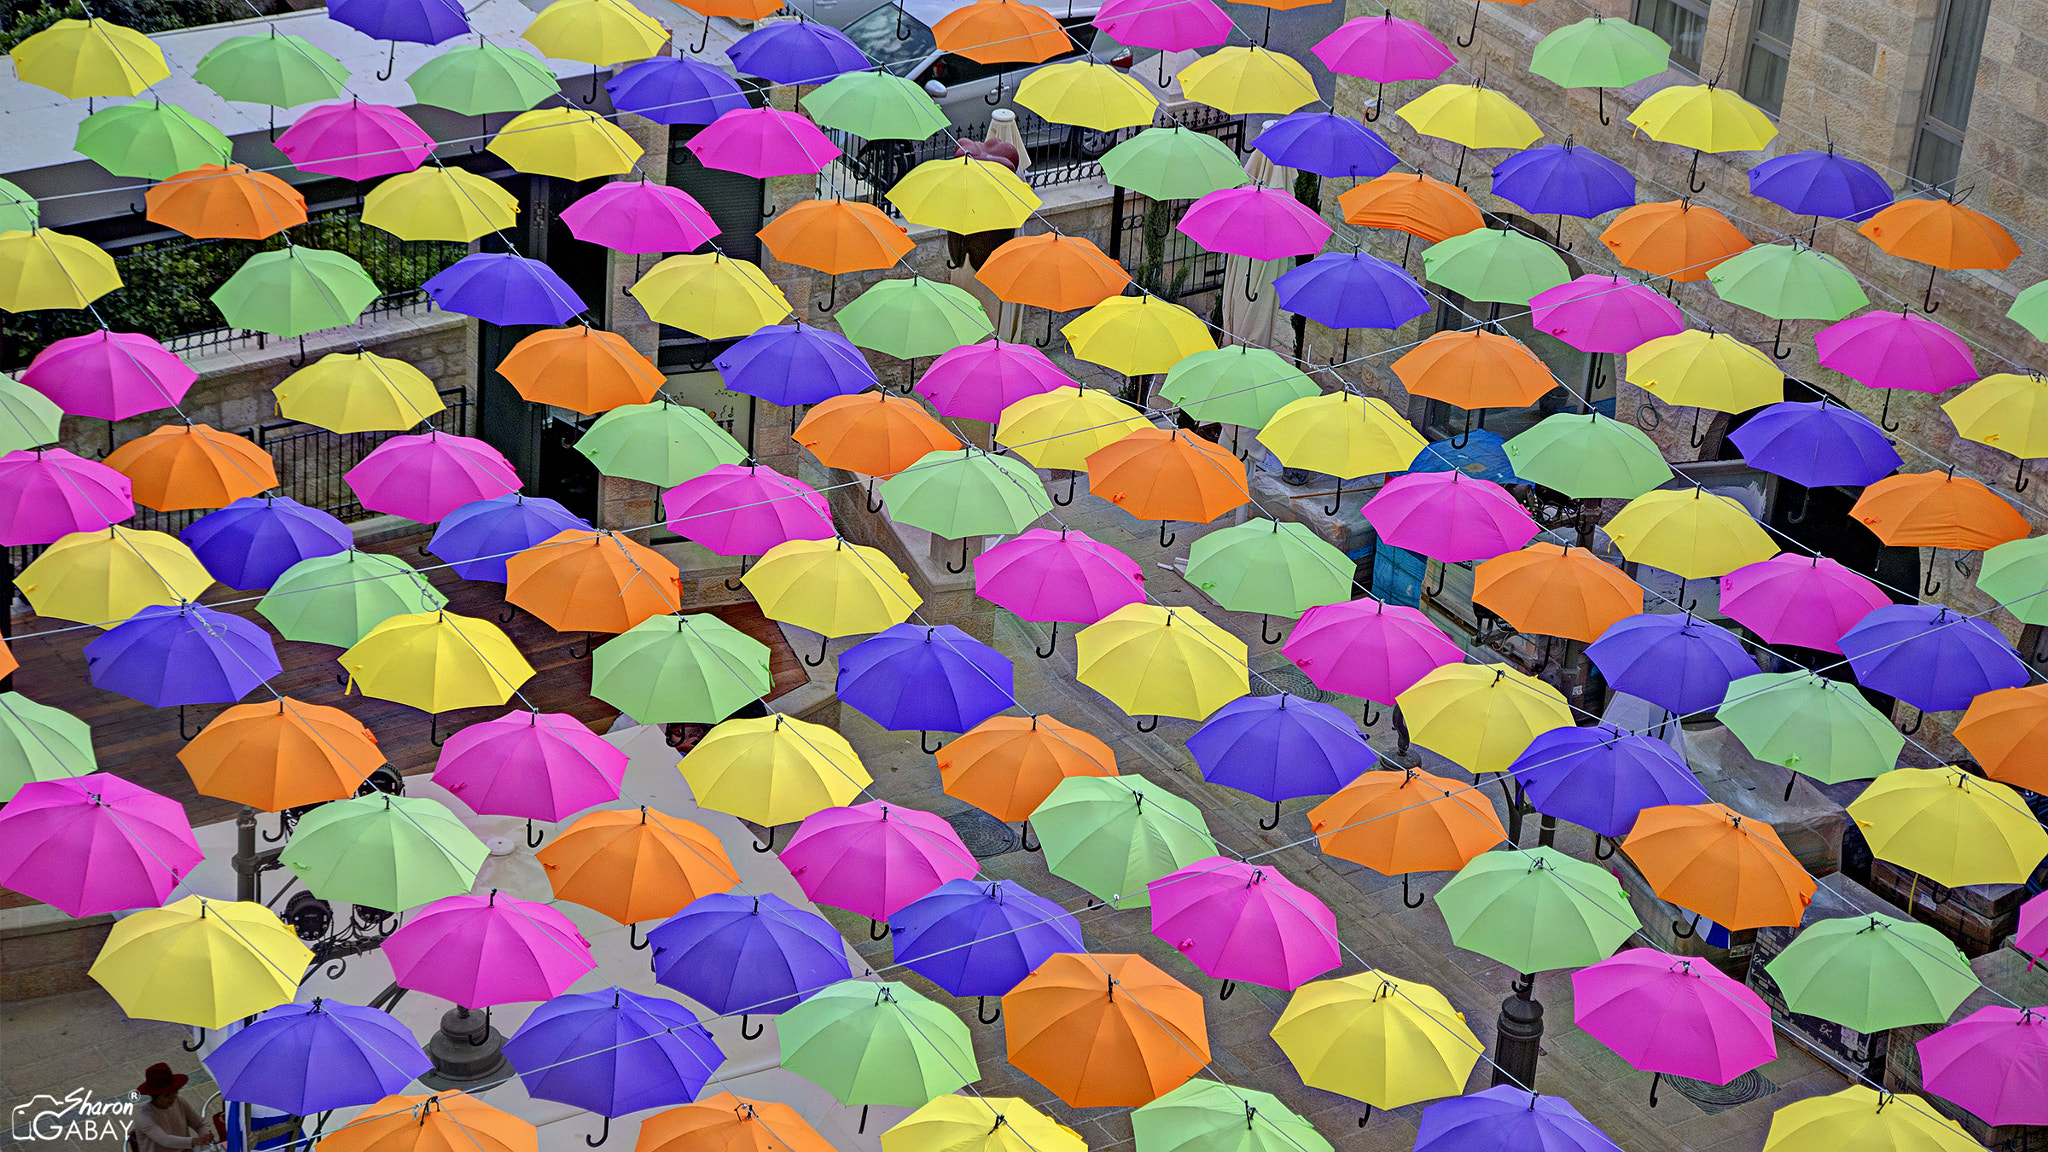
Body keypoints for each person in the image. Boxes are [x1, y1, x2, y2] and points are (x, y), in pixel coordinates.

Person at [131, 1064, 216, 1152]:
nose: (172, 1098)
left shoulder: (179, 1101)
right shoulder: (143, 1117)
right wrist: (195, 1141)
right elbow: (165, 1140)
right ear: (155, 1096)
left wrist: (205, 1142)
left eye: (175, 1092)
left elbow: (200, 1124)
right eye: (167, 1096)